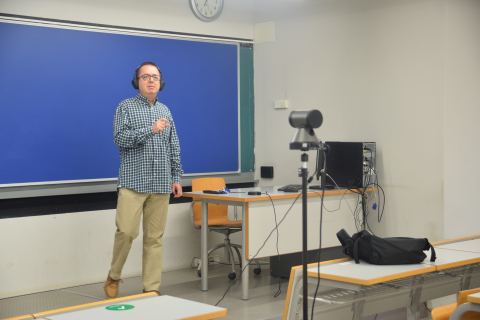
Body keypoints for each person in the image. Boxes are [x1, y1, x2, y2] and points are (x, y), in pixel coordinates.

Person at [104, 61, 183, 298]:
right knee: (126, 232)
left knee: (154, 239)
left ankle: (151, 289)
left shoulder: (166, 111)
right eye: (146, 77)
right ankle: (114, 275)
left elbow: (174, 145)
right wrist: (151, 129)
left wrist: (176, 177)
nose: (151, 81)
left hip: (160, 183)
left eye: (155, 77)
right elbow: (120, 139)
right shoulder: (125, 107)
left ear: (161, 82)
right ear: (136, 81)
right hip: (133, 183)